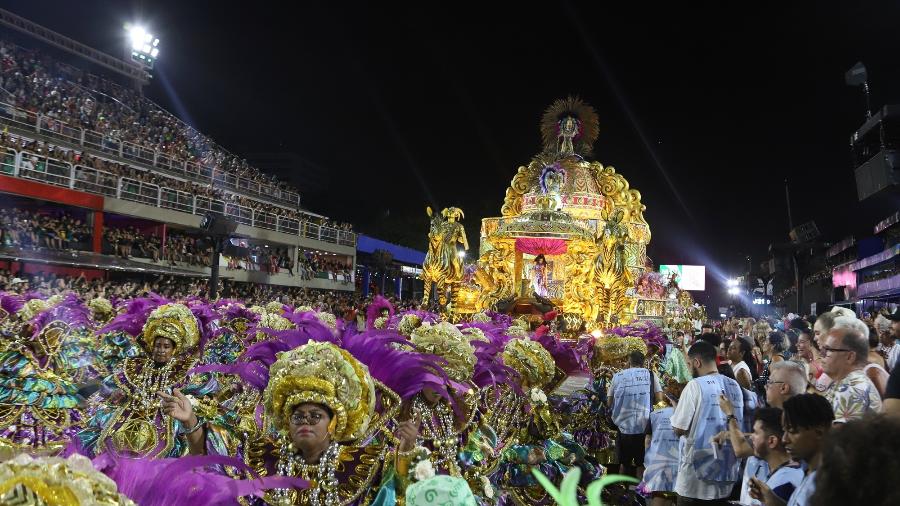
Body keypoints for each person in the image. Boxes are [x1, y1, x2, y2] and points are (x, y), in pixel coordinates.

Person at [670, 340, 744, 505]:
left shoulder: (694, 385)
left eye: (689, 364)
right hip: (726, 475)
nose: (689, 369)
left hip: (695, 482)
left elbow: (679, 429)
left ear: (697, 362)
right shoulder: (734, 385)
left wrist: (675, 411)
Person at [748, 394, 833, 506]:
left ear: (819, 432)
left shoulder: (830, 484)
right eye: (784, 431)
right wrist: (773, 501)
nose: (784, 439)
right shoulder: (809, 471)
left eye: (792, 431)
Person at [820, 318, 882, 423]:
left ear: (850, 357)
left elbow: (838, 436)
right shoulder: (846, 381)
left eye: (828, 349)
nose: (822, 354)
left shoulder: (852, 387)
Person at [610, 351, 656, 479]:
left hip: (624, 427)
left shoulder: (618, 376)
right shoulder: (651, 375)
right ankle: (639, 494)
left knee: (624, 463)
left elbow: (609, 401)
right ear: (643, 362)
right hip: (644, 426)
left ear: (629, 362)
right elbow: (659, 397)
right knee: (641, 464)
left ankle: (621, 491)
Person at [640, 381, 685, 506]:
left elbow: (647, 440)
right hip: (680, 464)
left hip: (657, 463)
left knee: (659, 496)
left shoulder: (655, 414)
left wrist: (647, 462)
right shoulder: (687, 415)